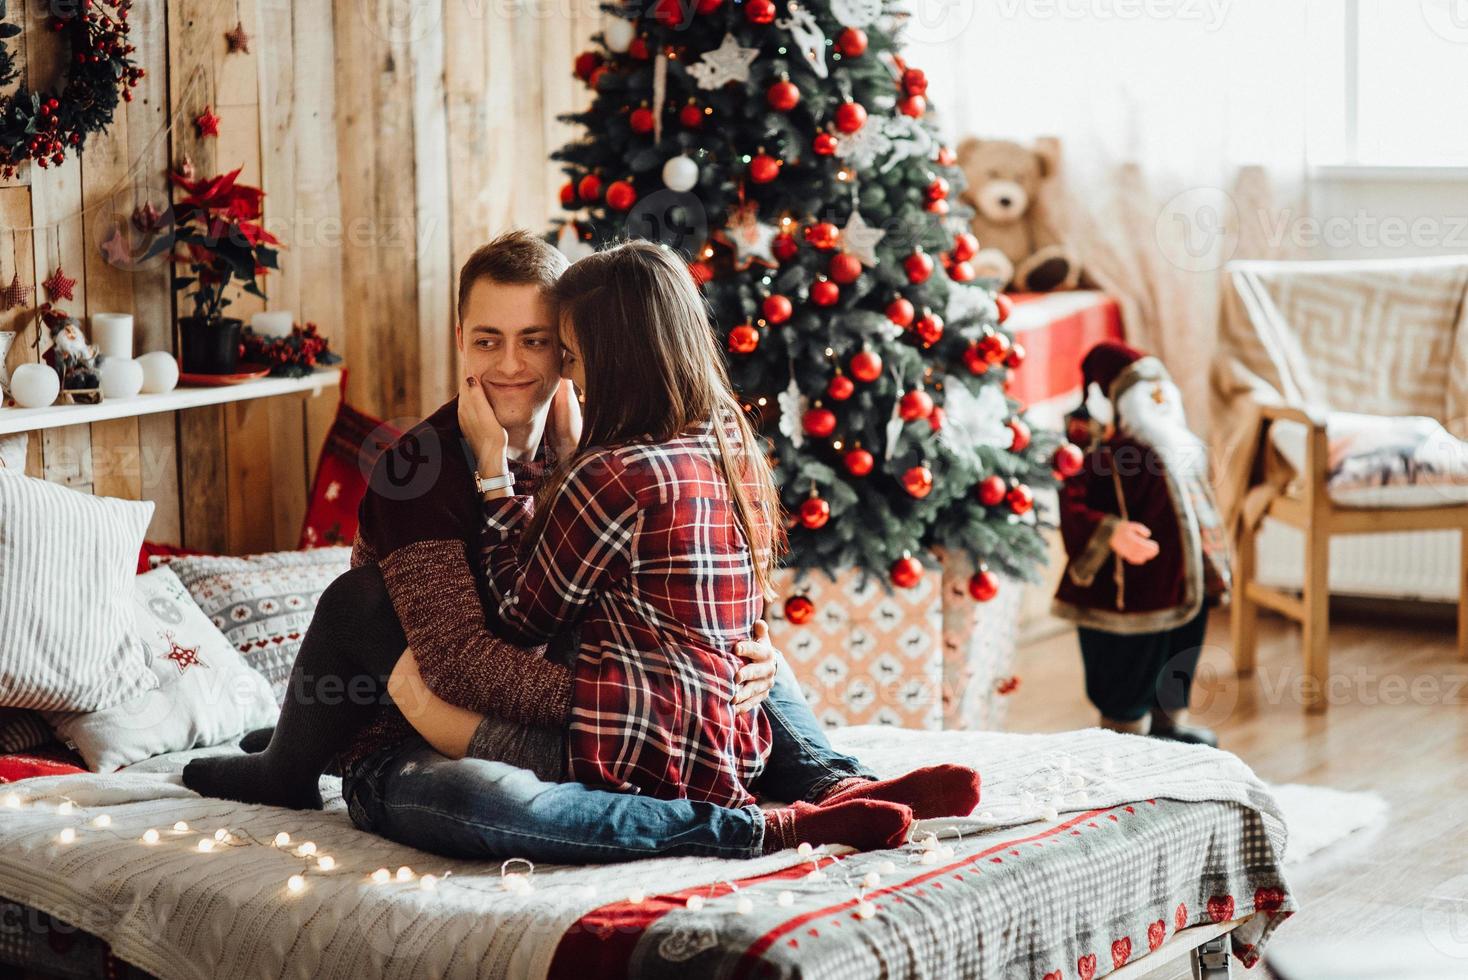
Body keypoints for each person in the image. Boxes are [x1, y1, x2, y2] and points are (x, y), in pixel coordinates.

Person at [184, 231, 980, 861]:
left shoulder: (616, 448)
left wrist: (752, 648)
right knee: (478, 802)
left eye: (536, 341)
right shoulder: (417, 470)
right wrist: (627, 702)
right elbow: (462, 660)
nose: (511, 365)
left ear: (573, 346)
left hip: (610, 702)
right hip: (435, 713)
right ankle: (292, 759)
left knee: (730, 649)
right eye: (487, 340)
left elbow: (696, 587)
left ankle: (836, 783)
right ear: (460, 341)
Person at [1051, 340, 1231, 746]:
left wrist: (1212, 566)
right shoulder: (1101, 455)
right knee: (1130, 658)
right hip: (1128, 589)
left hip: (1184, 582)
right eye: (1146, 398)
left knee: (1180, 650)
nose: (1159, 406)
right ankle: (1125, 733)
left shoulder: (1181, 448)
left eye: (1161, 396)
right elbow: (1073, 502)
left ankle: (1168, 723)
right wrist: (1110, 531)